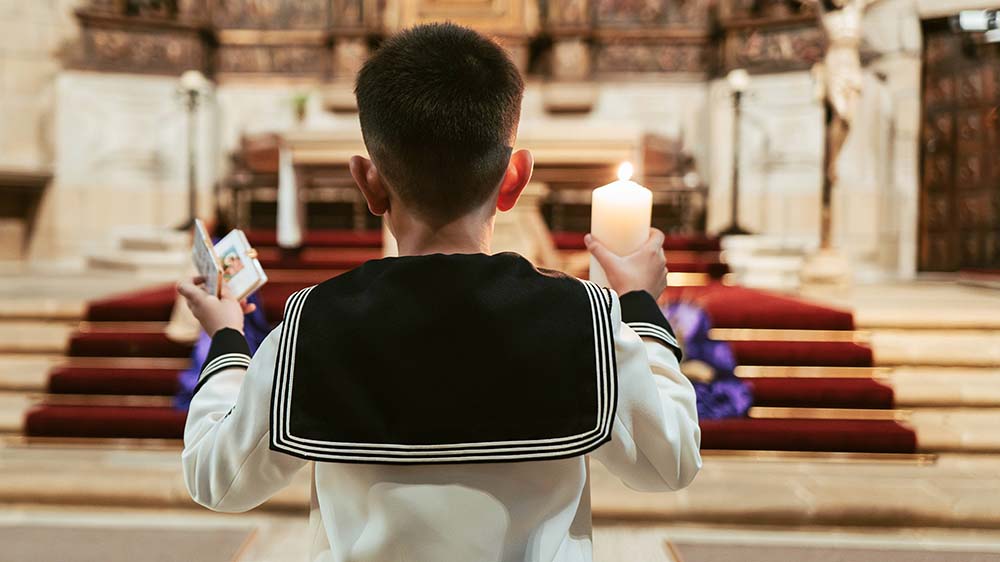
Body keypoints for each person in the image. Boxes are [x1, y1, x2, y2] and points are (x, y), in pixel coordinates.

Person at [177, 22, 701, 562]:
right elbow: (670, 463)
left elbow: (217, 479)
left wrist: (226, 336)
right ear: (515, 178)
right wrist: (640, 306)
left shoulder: (313, 322)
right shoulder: (583, 316)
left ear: (368, 182)